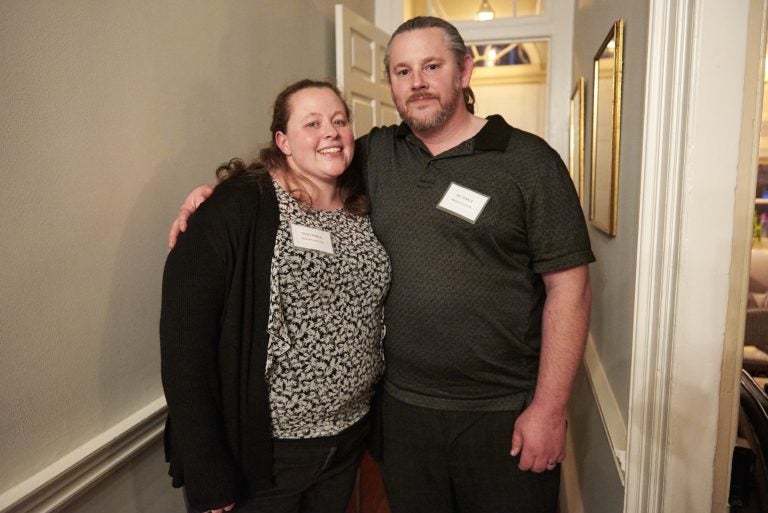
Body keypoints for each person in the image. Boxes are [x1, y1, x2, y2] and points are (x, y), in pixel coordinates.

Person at [169, 16, 594, 513]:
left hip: (503, 412)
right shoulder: (376, 156)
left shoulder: (530, 162)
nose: (416, 82)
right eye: (401, 70)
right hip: (402, 416)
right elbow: (302, 164)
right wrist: (216, 197)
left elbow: (571, 289)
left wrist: (549, 408)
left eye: (431, 66)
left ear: (464, 70)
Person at [160, 79, 391, 513]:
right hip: (265, 456)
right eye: (313, 123)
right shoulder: (240, 205)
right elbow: (183, 342)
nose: (331, 132)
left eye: (339, 120)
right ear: (282, 141)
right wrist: (207, 472)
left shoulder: (360, 201)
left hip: (345, 441)